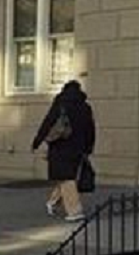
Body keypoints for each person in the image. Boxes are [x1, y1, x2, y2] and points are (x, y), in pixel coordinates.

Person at [31, 79, 96, 221]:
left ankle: (74, 211)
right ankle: (53, 202)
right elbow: (90, 128)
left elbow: (47, 123)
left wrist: (37, 141)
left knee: (66, 178)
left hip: (60, 146)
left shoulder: (60, 105)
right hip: (78, 147)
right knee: (68, 177)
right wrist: (89, 146)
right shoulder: (85, 107)